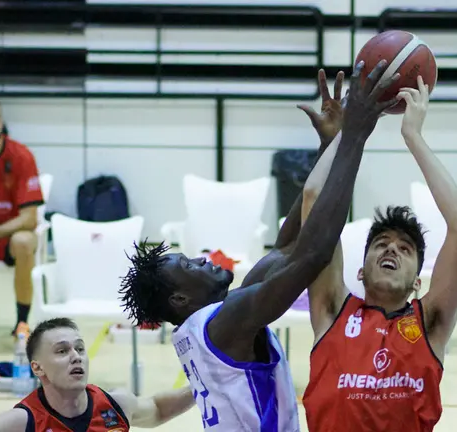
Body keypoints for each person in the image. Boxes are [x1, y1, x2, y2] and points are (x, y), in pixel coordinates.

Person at [118, 60, 399, 431]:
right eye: (189, 266)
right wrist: (356, 137)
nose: (201, 260)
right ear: (180, 299)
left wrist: (332, 144)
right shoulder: (226, 322)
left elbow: (287, 246)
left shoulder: (212, 323)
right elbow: (312, 254)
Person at [301, 76, 457, 431]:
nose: (392, 249)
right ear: (360, 271)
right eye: (381, 244)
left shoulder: (430, 322)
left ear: (417, 282)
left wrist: (413, 136)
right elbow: (313, 198)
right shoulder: (333, 311)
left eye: (405, 249)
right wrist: (348, 134)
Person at [0, 317, 195, 431]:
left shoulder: (116, 405)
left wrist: (201, 385)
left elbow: (157, 409)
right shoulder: (21, 422)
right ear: (37, 368)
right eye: (62, 351)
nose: (76, 356)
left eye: (80, 348)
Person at [0, 94, 43, 338]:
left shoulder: (21, 156)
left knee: (24, 241)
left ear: (2, 122)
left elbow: (30, 219)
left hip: (7, 239)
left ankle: (22, 323)